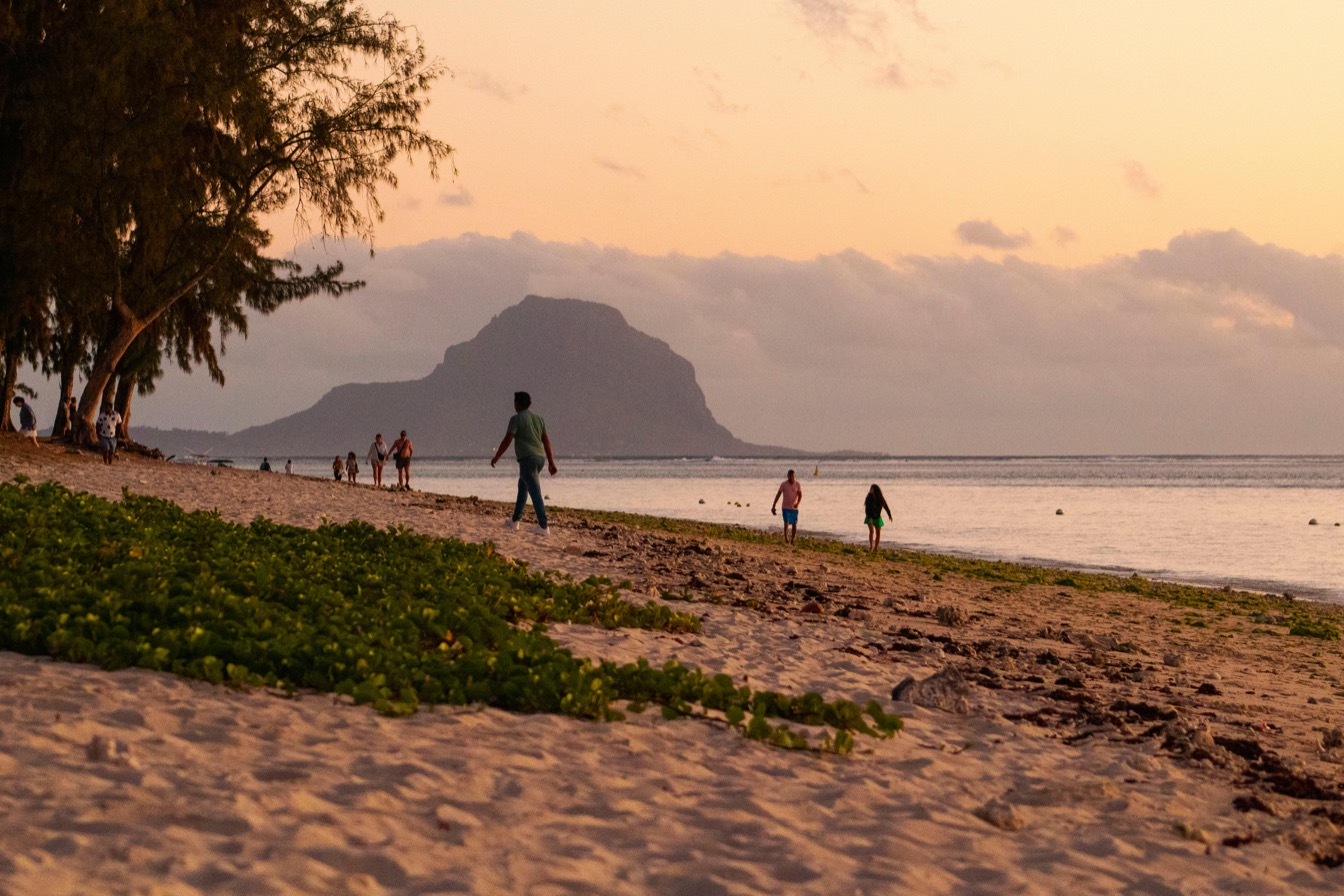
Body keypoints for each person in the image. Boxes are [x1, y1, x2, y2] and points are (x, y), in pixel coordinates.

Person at [490, 391, 557, 536]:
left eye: (515, 402)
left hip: (527, 459)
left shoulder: (516, 419)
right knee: (523, 487)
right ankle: (515, 520)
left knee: (534, 491)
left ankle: (543, 526)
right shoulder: (539, 419)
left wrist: (496, 457)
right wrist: (551, 462)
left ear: (518, 404)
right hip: (539, 458)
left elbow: (507, 440)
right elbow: (546, 441)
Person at [771, 469, 803, 544]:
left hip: (794, 508)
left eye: (793, 476)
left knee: (794, 524)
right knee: (786, 523)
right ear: (787, 476)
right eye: (790, 476)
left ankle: (793, 539)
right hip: (785, 507)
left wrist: (798, 503)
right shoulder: (784, 484)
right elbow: (778, 495)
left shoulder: (797, 484)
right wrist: (774, 505)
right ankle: (786, 539)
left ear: (794, 476)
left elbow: (800, 495)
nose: (791, 478)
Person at [864, 483, 894, 552]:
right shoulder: (869, 497)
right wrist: (869, 517)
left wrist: (889, 515)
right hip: (870, 516)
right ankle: (871, 546)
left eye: (872, 489)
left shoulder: (880, 498)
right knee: (871, 531)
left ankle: (876, 548)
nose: (870, 490)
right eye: (870, 488)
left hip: (877, 517)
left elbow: (886, 506)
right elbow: (867, 509)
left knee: (878, 532)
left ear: (875, 490)